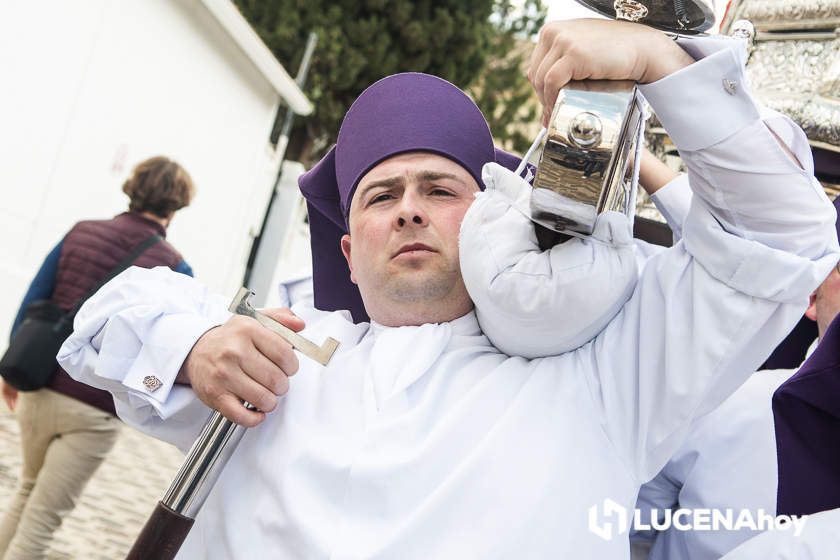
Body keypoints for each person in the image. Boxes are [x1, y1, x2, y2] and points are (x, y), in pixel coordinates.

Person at [57, 20, 837, 558]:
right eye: (379, 195)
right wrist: (195, 347)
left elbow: (778, 238)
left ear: (499, 216)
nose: (408, 210)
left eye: (440, 187)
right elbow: (108, 317)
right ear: (347, 252)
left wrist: (664, 65)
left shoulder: (611, 376)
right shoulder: (287, 359)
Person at [0, 156, 195, 559]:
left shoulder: (81, 233)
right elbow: (169, 347)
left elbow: (34, 300)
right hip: (95, 409)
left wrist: (10, 370)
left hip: (38, 387)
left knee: (25, 493)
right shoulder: (175, 267)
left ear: (132, 188)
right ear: (175, 206)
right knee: (41, 523)